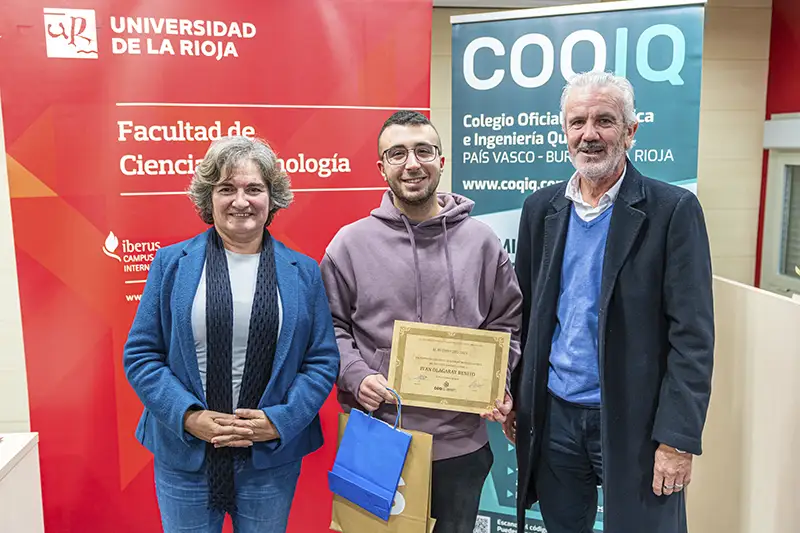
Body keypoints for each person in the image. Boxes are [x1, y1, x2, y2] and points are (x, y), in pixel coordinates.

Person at [507, 71, 714, 533]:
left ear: (630, 131)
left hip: (636, 422)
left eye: (605, 120)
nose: (590, 134)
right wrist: (521, 399)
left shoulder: (672, 211)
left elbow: (693, 337)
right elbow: (526, 317)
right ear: (564, 132)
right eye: (577, 122)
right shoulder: (540, 209)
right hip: (556, 415)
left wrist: (677, 440)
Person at [123, 135, 339, 533]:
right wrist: (189, 417)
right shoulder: (172, 264)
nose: (241, 201)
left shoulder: (303, 272)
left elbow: (321, 360)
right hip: (185, 454)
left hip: (268, 459)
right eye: (226, 188)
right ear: (209, 198)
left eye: (254, 189)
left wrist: (280, 420)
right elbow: (141, 355)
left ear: (272, 199)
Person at [320, 110, 522, 533]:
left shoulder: (482, 242)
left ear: (442, 160)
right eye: (397, 153)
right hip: (379, 436)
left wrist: (495, 378)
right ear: (382, 168)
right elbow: (328, 330)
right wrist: (356, 375)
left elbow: (507, 323)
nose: (412, 163)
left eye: (423, 150)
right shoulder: (349, 245)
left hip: (460, 445)